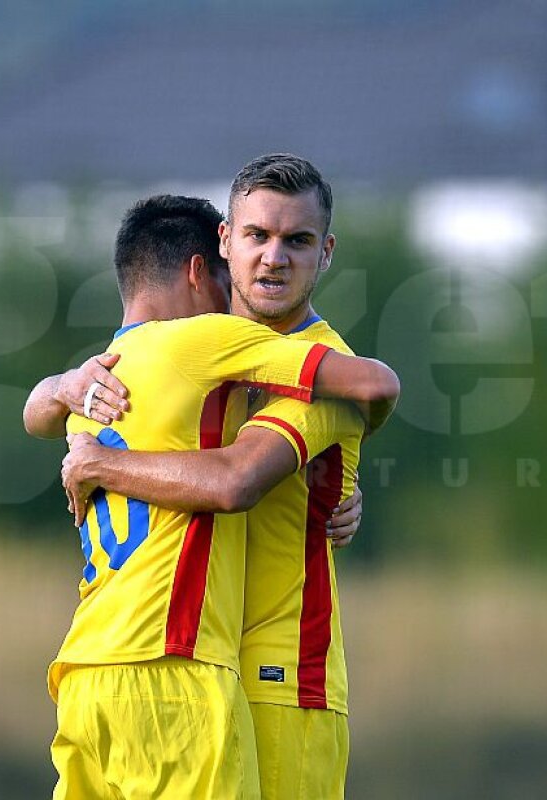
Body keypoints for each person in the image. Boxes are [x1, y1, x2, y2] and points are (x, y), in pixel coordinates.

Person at [29, 154, 373, 799]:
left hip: (283, 672)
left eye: (297, 241)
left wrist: (102, 463)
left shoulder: (323, 370)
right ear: (223, 242)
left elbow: (236, 478)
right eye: (258, 236)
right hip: (188, 662)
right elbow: (42, 410)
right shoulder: (184, 347)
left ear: (325, 253)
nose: (275, 258)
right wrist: (64, 385)